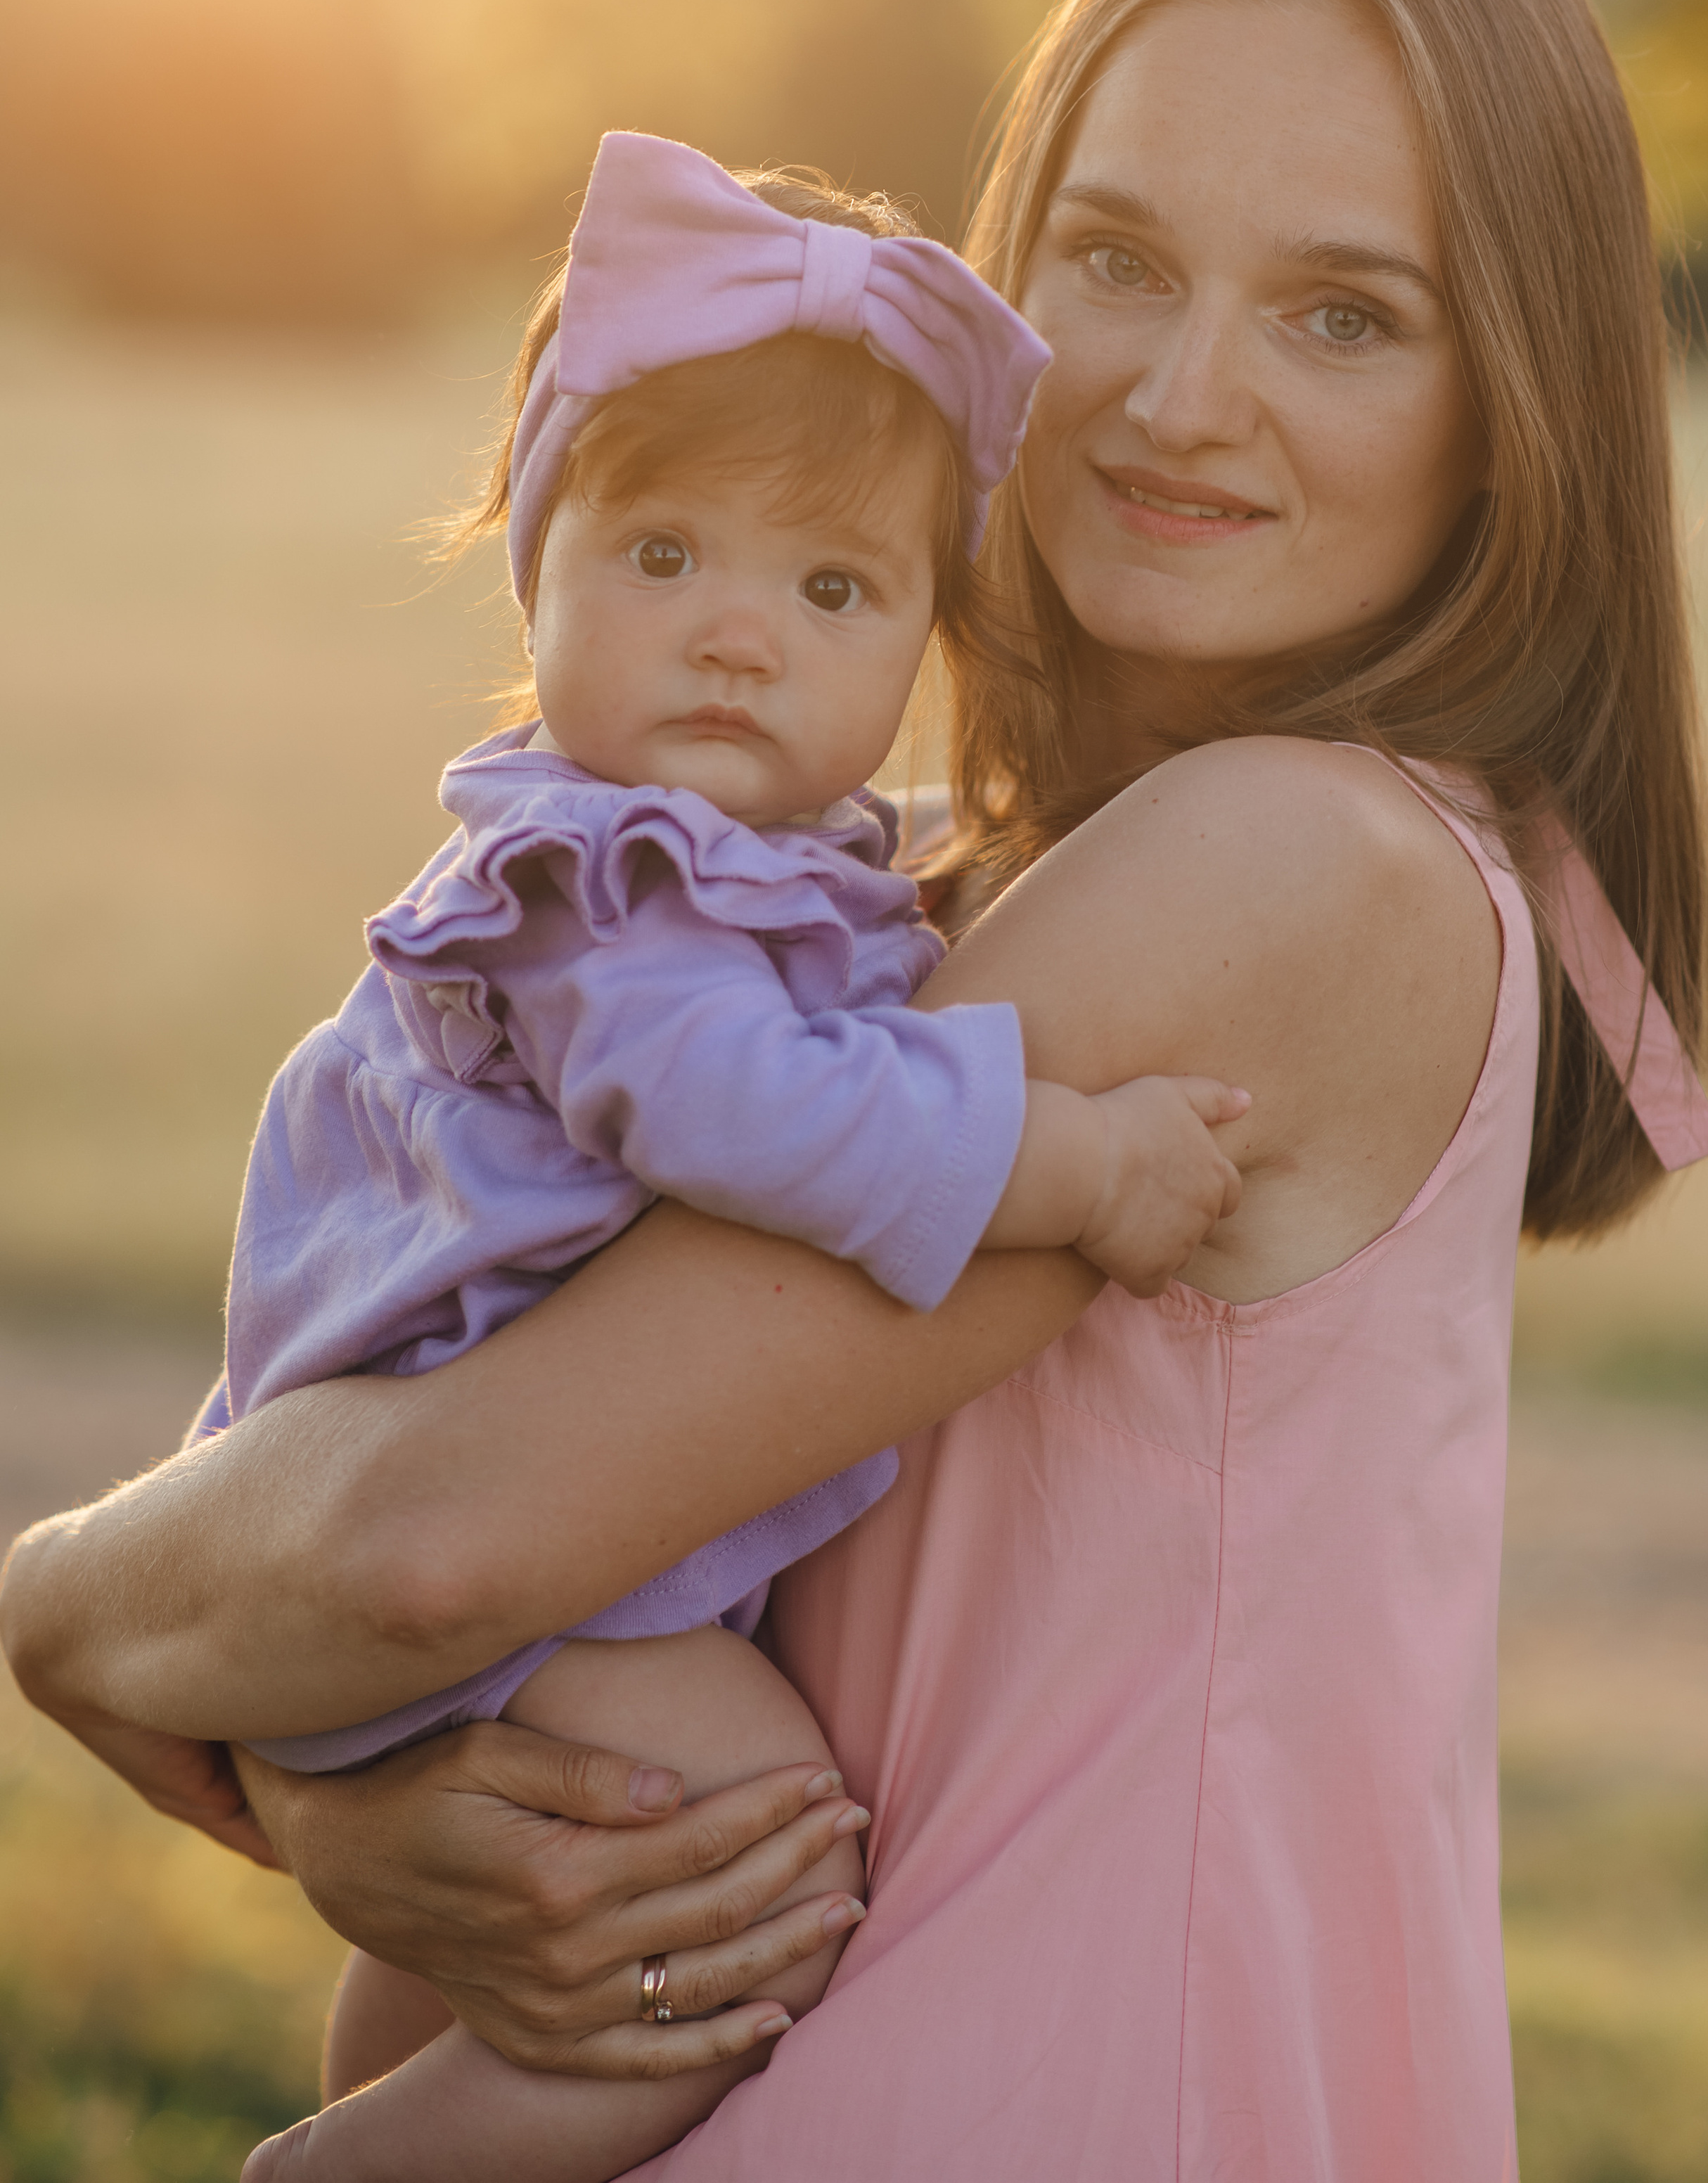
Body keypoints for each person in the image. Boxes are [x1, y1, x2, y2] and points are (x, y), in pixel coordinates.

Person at [1, 0, 1708, 2182]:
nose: (1177, 395)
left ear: (1507, 408)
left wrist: (71, 1606)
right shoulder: (899, 890)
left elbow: (428, 1543)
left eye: (1344, 314)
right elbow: (521, 1517)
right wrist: (346, 1785)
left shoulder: (1297, 868)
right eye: (1113, 261)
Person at [207, 129, 1247, 2179]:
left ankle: (381, 2099)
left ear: (922, 633)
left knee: (518, 1949)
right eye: (663, 554)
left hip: (508, 1538)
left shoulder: (739, 861)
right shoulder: (615, 883)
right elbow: (745, 1113)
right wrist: (1077, 1160)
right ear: (540, 558)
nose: (737, 637)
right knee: (761, 1895)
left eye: (834, 587)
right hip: (496, 1539)